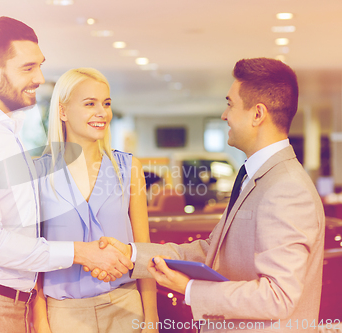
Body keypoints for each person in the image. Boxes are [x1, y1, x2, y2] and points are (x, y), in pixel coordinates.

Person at [0, 17, 132, 333]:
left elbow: (25, 229)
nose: (39, 78)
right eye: (27, 68)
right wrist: (81, 252)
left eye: (40, 66)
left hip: (14, 305)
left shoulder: (8, 133)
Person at [98, 58, 325, 332]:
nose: (224, 115)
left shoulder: (286, 188)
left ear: (257, 114)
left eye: (230, 104)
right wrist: (132, 253)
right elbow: (210, 251)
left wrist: (191, 288)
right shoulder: (259, 177)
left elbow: (278, 297)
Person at [31, 68, 159, 333]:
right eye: (90, 104)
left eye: (106, 103)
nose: (102, 112)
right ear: (63, 112)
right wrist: (40, 320)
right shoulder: (38, 173)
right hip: (64, 315)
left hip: (125, 306)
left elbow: (143, 250)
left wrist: (151, 318)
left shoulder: (129, 168)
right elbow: (33, 256)